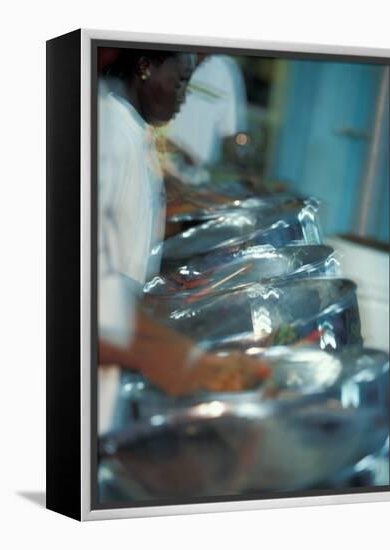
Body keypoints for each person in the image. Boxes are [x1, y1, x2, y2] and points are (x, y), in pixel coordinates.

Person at [97, 48, 270, 403]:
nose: (185, 97)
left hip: (125, 333)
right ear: (145, 68)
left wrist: (173, 280)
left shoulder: (135, 132)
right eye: (180, 82)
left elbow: (134, 230)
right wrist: (189, 363)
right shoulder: (112, 135)